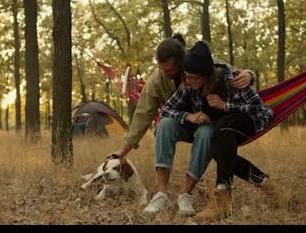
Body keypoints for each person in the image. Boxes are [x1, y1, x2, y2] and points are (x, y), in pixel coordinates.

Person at [110, 33, 258, 216]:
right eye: (161, 69)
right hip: (181, 120)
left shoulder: (198, 62)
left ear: (183, 62)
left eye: (169, 70)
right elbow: (143, 114)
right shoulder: (158, 79)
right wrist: (123, 151)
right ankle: (161, 193)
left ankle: (186, 195)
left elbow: (228, 71)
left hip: (209, 124)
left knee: (207, 134)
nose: (165, 74)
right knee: (164, 125)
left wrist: (250, 74)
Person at [160, 41, 274, 221]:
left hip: (250, 122)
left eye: (193, 77)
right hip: (224, 132)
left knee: (223, 126)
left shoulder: (232, 79)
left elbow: (262, 110)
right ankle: (267, 185)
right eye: (186, 76)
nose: (188, 81)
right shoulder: (188, 83)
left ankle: (222, 198)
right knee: (217, 147)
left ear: (207, 75)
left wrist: (225, 105)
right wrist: (188, 116)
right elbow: (166, 109)